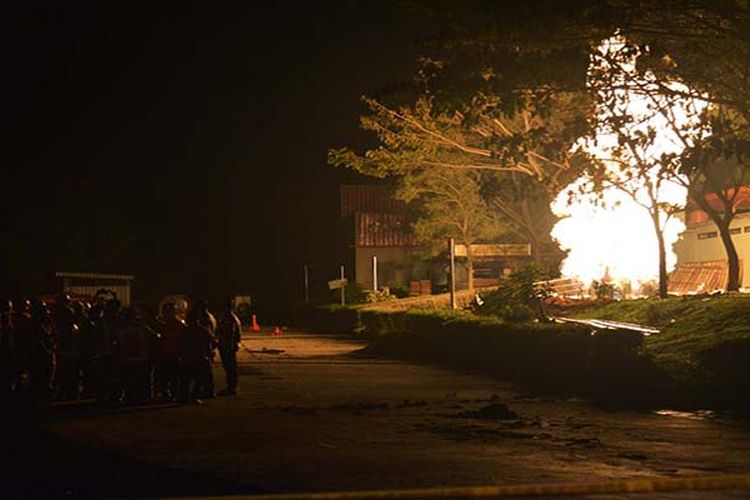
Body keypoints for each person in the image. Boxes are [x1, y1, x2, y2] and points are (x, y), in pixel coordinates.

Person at [115, 307, 158, 403]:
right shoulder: (141, 327)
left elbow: (116, 342)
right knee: (139, 379)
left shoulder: (120, 328)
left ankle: (128, 396)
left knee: (127, 379)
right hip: (140, 358)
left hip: (125, 358)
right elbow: (155, 336)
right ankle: (140, 396)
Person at [177, 309, 216, 404]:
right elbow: (212, 342)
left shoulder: (184, 331)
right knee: (198, 379)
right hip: (199, 357)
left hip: (188, 358)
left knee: (186, 380)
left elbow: (180, 344)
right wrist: (209, 353)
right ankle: (193, 397)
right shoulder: (203, 330)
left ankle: (184, 397)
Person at [154, 302, 184, 400]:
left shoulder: (174, 325)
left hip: (173, 354)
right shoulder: (166, 324)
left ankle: (170, 392)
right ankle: (168, 392)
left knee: (171, 375)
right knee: (167, 375)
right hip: (167, 354)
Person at [52, 293, 79, 400]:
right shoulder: (71, 326)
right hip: (68, 351)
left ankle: (66, 393)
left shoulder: (65, 326)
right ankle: (69, 393)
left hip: (65, 351)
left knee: (65, 373)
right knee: (68, 373)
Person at [28, 301, 55, 399]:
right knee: (40, 380)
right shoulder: (34, 325)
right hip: (39, 357)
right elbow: (38, 341)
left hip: (43, 356)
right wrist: (47, 351)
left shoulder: (42, 324)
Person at [216, 301, 242, 395]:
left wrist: (228, 347)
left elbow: (230, 334)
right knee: (230, 367)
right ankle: (232, 386)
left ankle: (232, 387)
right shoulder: (232, 318)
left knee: (230, 367)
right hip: (229, 346)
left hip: (228, 347)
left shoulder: (229, 319)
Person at [193, 300, 217, 398]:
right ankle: (208, 390)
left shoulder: (205, 318)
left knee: (205, 371)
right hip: (209, 346)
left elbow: (206, 334)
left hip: (205, 348)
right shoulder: (211, 316)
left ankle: (208, 391)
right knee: (207, 371)